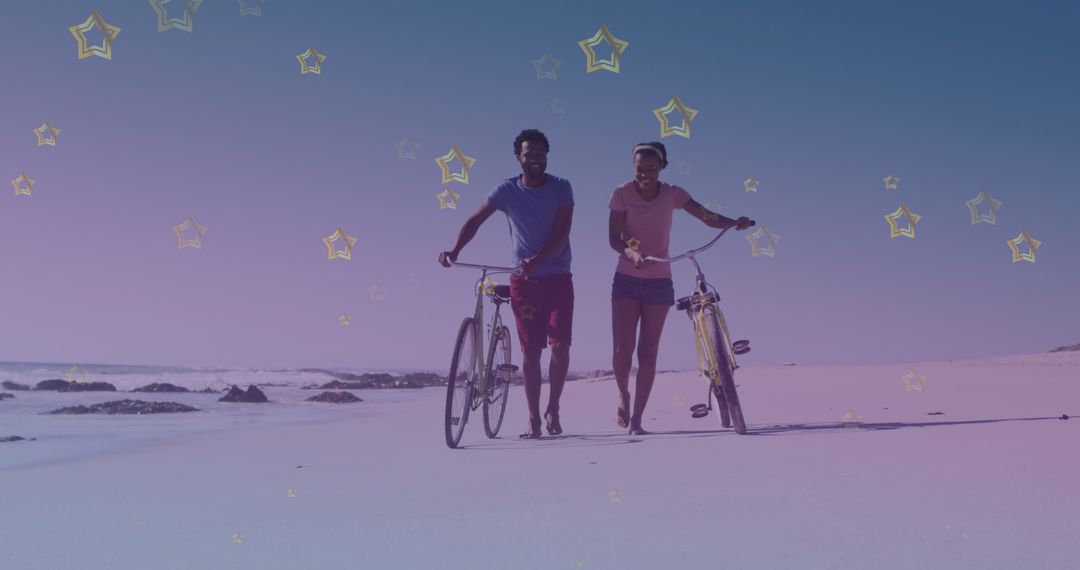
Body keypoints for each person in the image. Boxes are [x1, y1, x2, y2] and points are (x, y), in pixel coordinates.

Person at [608, 141, 752, 435]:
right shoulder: (622, 193)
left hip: (659, 283)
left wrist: (732, 223)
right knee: (623, 350)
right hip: (626, 280)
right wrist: (633, 254)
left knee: (647, 353)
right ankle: (623, 394)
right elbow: (614, 238)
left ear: (662, 167)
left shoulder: (673, 194)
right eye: (639, 169)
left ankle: (637, 420)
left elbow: (705, 216)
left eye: (651, 168)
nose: (645, 175)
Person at [439, 129, 575, 439]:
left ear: (546, 156)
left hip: (557, 278)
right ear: (519, 157)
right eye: (529, 154)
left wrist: (538, 260)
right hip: (524, 282)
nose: (535, 159)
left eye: (540, 153)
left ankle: (552, 408)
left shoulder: (561, 188)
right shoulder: (507, 190)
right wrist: (455, 250)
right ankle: (533, 419)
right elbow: (475, 220)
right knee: (531, 352)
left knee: (560, 345)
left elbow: (562, 232)